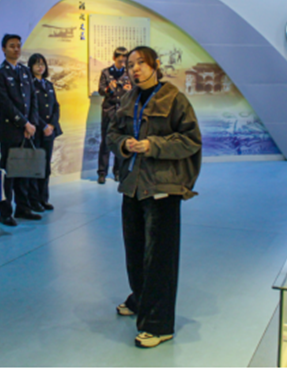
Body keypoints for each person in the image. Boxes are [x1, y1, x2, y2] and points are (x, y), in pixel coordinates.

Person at [107, 46, 201, 349]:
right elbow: (112, 134)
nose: (134, 69)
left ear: (156, 65)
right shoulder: (128, 99)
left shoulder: (174, 98)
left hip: (163, 187)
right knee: (134, 251)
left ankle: (159, 325)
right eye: (130, 65)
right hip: (132, 185)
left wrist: (153, 145)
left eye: (141, 63)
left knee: (160, 257)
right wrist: (124, 144)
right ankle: (140, 299)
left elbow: (191, 140)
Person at [0, 34, 41, 225]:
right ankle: (5, 213)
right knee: (9, 174)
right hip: (11, 131)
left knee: (25, 172)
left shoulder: (25, 71)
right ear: (3, 49)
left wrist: (32, 123)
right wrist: (24, 123)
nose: (16, 49)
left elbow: (33, 100)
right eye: (12, 46)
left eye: (18, 46)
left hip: (28, 131)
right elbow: (5, 104)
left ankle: (23, 208)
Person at [28, 53, 62, 211]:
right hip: (37, 131)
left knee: (46, 166)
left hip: (50, 132)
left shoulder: (48, 84)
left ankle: (43, 198)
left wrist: (52, 125)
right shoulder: (29, 84)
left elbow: (56, 106)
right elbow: (31, 109)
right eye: (36, 64)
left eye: (42, 64)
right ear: (31, 66)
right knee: (36, 166)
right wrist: (43, 126)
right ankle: (34, 200)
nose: (40, 67)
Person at [98, 47, 131, 184]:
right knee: (105, 143)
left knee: (120, 142)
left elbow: (134, 91)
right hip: (109, 111)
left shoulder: (128, 73)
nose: (122, 64)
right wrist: (109, 89)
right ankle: (102, 173)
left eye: (124, 61)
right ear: (114, 58)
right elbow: (101, 91)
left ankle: (117, 172)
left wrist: (128, 90)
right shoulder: (106, 72)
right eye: (120, 61)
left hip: (122, 111)